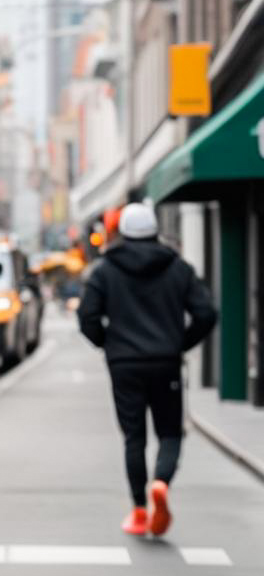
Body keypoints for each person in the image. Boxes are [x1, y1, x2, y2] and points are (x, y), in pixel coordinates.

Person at [78, 202, 217, 536]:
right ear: (155, 230)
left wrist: (108, 344)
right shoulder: (178, 268)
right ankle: (161, 483)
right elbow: (206, 313)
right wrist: (180, 343)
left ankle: (139, 510)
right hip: (165, 362)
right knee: (170, 432)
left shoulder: (105, 270)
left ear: (122, 233)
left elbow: (87, 317)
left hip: (124, 364)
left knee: (133, 437)